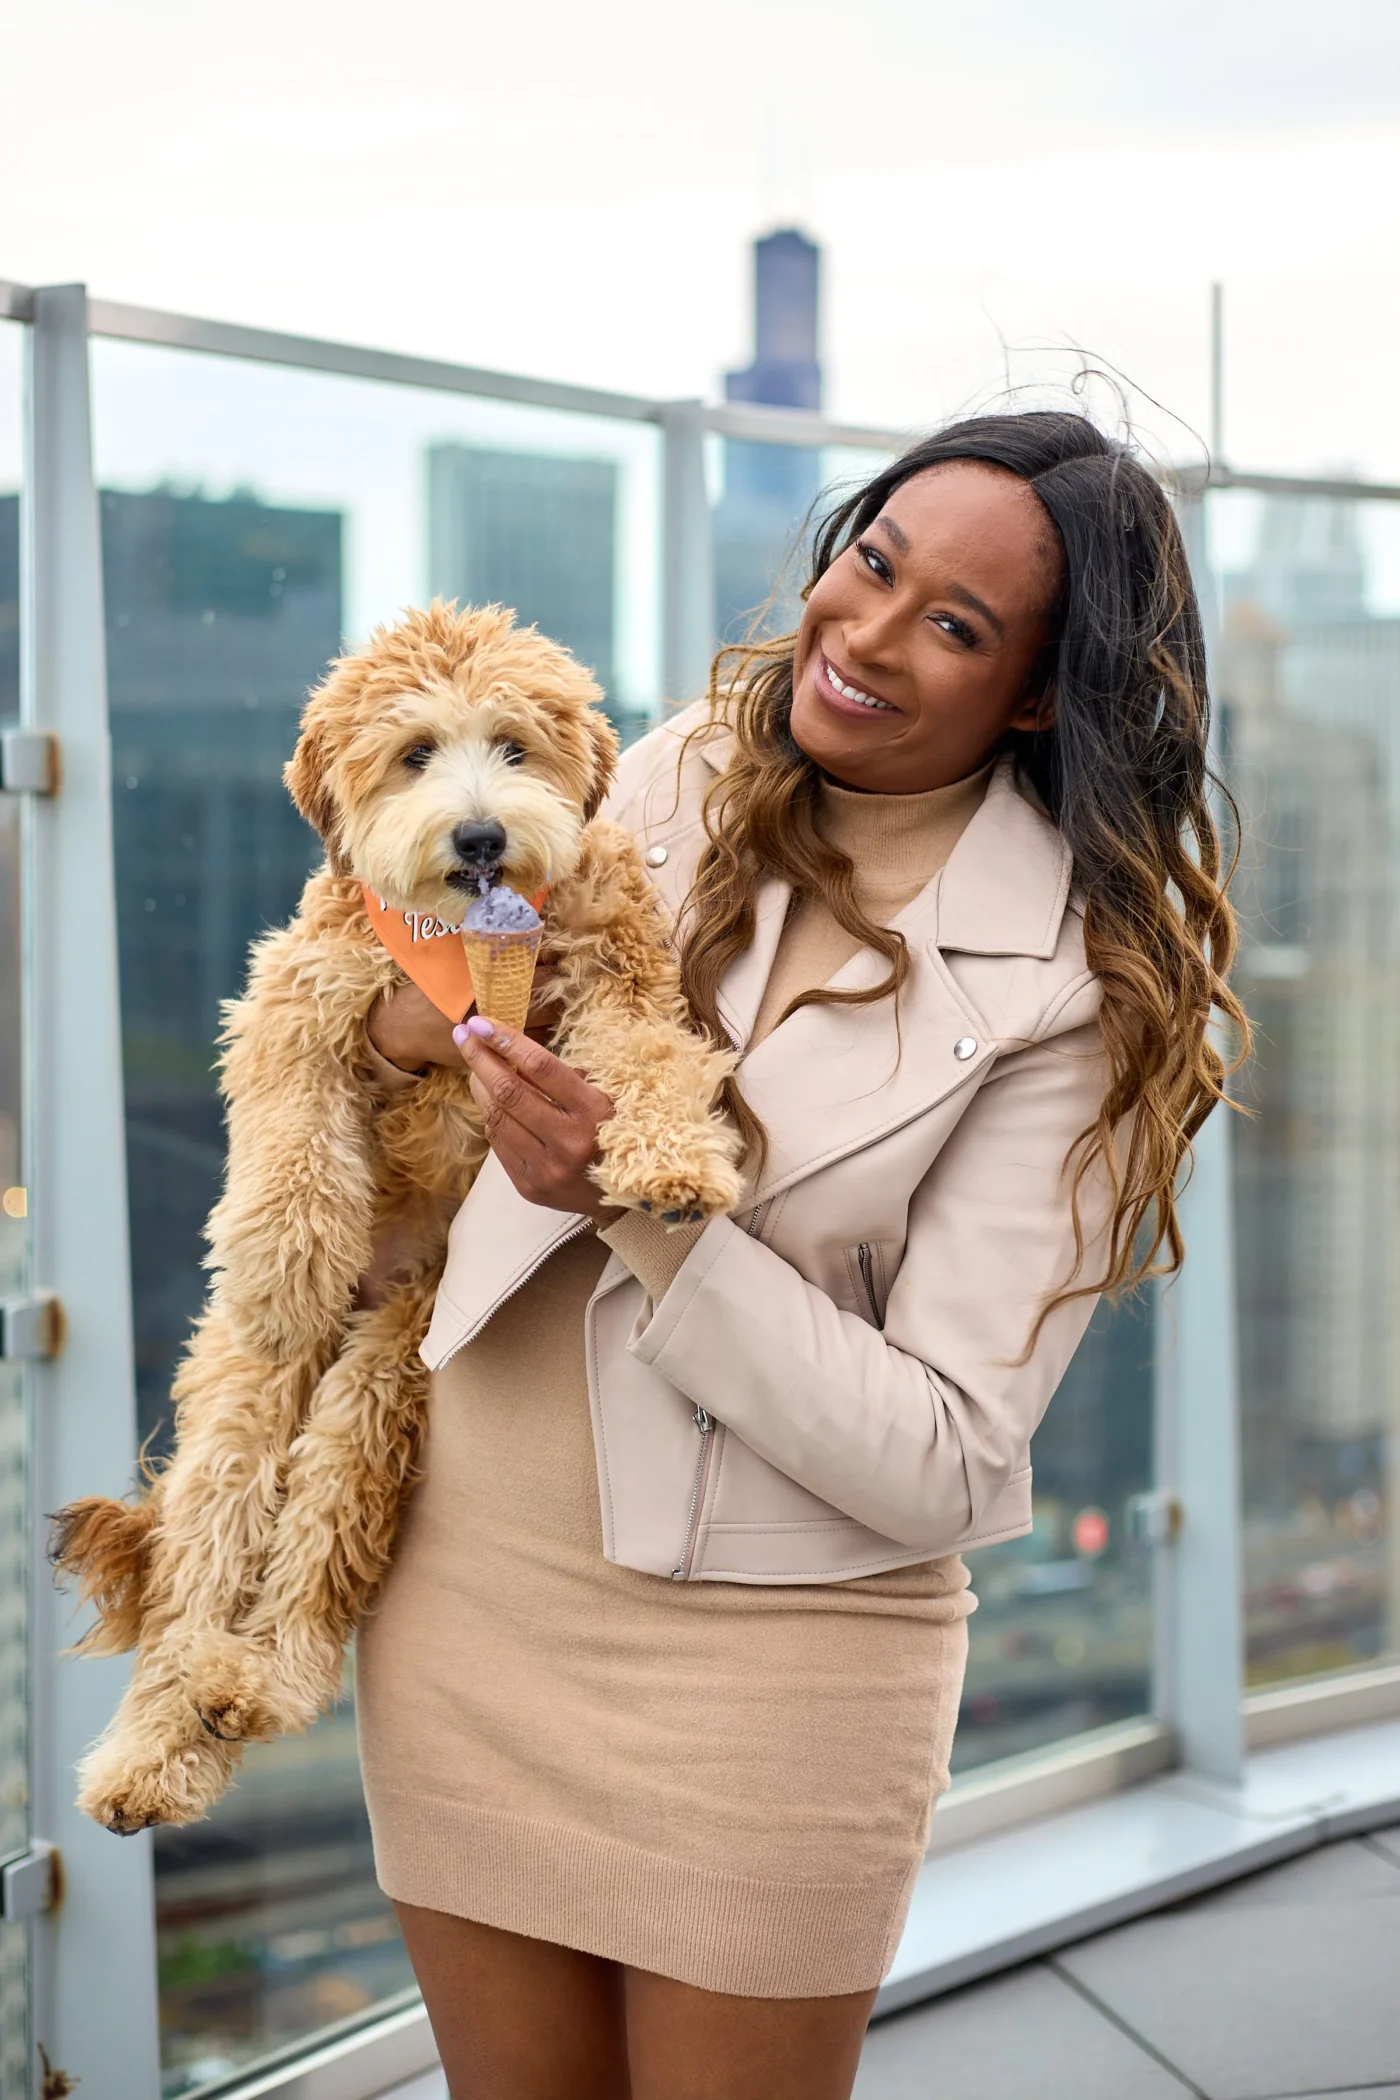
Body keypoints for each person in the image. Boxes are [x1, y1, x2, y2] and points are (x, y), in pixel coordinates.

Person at [353, 411, 1245, 2100]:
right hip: (470, 1595)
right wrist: (413, 1031)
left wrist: (635, 1195)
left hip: (776, 1668)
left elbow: (949, 1454)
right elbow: (443, 1035)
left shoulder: (1076, 989)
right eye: (874, 564)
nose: (867, 638)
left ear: (1040, 694)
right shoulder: (674, 765)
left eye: (956, 628)